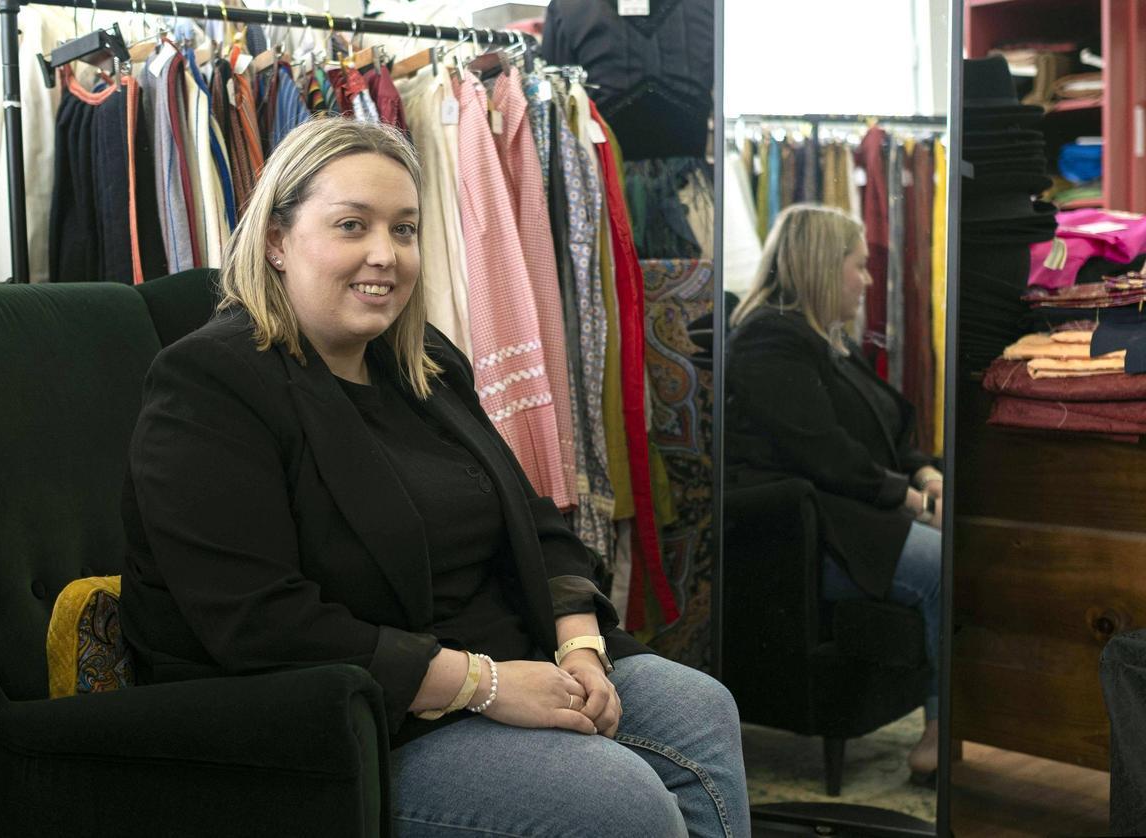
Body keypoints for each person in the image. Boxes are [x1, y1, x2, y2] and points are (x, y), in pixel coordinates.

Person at [119, 116, 750, 837]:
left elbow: (535, 521)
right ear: (275, 241)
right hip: (351, 717)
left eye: (406, 229)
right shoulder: (210, 384)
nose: (385, 254)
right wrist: (482, 685)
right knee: (620, 800)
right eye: (352, 225)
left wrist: (580, 645)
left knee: (701, 709)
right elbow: (257, 619)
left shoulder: (422, 364)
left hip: (513, 656)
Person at [724, 203, 942, 783]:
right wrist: (906, 498)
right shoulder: (768, 340)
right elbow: (820, 447)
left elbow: (880, 431)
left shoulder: (824, 341)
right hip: (811, 540)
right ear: (824, 265)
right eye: (859, 266)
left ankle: (946, 721)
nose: (868, 280)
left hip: (849, 518)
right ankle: (944, 728)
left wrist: (922, 472)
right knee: (946, 563)